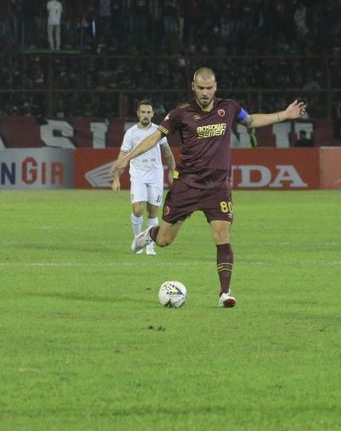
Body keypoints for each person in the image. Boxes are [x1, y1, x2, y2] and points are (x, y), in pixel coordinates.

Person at [112, 67, 306, 308]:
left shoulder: (230, 108)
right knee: (164, 240)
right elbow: (155, 137)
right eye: (201, 88)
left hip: (218, 187)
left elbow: (252, 121)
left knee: (222, 234)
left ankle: (225, 293)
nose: (205, 93)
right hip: (187, 185)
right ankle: (148, 235)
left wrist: (284, 115)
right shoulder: (180, 114)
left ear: (216, 87)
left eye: (209, 88)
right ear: (193, 87)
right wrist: (127, 157)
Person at [112, 99, 176, 256]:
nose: (146, 115)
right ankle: (137, 239)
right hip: (138, 175)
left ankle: (150, 245)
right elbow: (122, 155)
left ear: (153, 114)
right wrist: (116, 178)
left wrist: (175, 174)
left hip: (155, 175)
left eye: (149, 112)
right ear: (138, 114)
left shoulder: (159, 131)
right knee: (138, 209)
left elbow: (167, 153)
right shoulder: (131, 133)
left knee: (153, 212)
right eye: (143, 112)